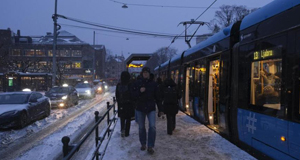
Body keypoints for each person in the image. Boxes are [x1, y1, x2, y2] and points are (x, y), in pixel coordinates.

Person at [133, 67, 163, 154]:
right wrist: (139, 91)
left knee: (152, 127)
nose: (145, 74)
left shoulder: (154, 84)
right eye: (144, 72)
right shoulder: (137, 83)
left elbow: (158, 97)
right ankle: (143, 143)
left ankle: (150, 146)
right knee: (141, 127)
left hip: (151, 108)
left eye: (147, 72)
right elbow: (133, 95)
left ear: (149, 74)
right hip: (140, 108)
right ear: (142, 73)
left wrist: (161, 109)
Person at [115, 71, 135, 137]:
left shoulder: (119, 84)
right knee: (128, 119)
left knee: (122, 118)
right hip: (129, 104)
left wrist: (119, 101)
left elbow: (117, 95)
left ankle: (122, 129)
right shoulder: (130, 84)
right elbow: (132, 94)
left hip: (121, 104)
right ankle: (127, 132)